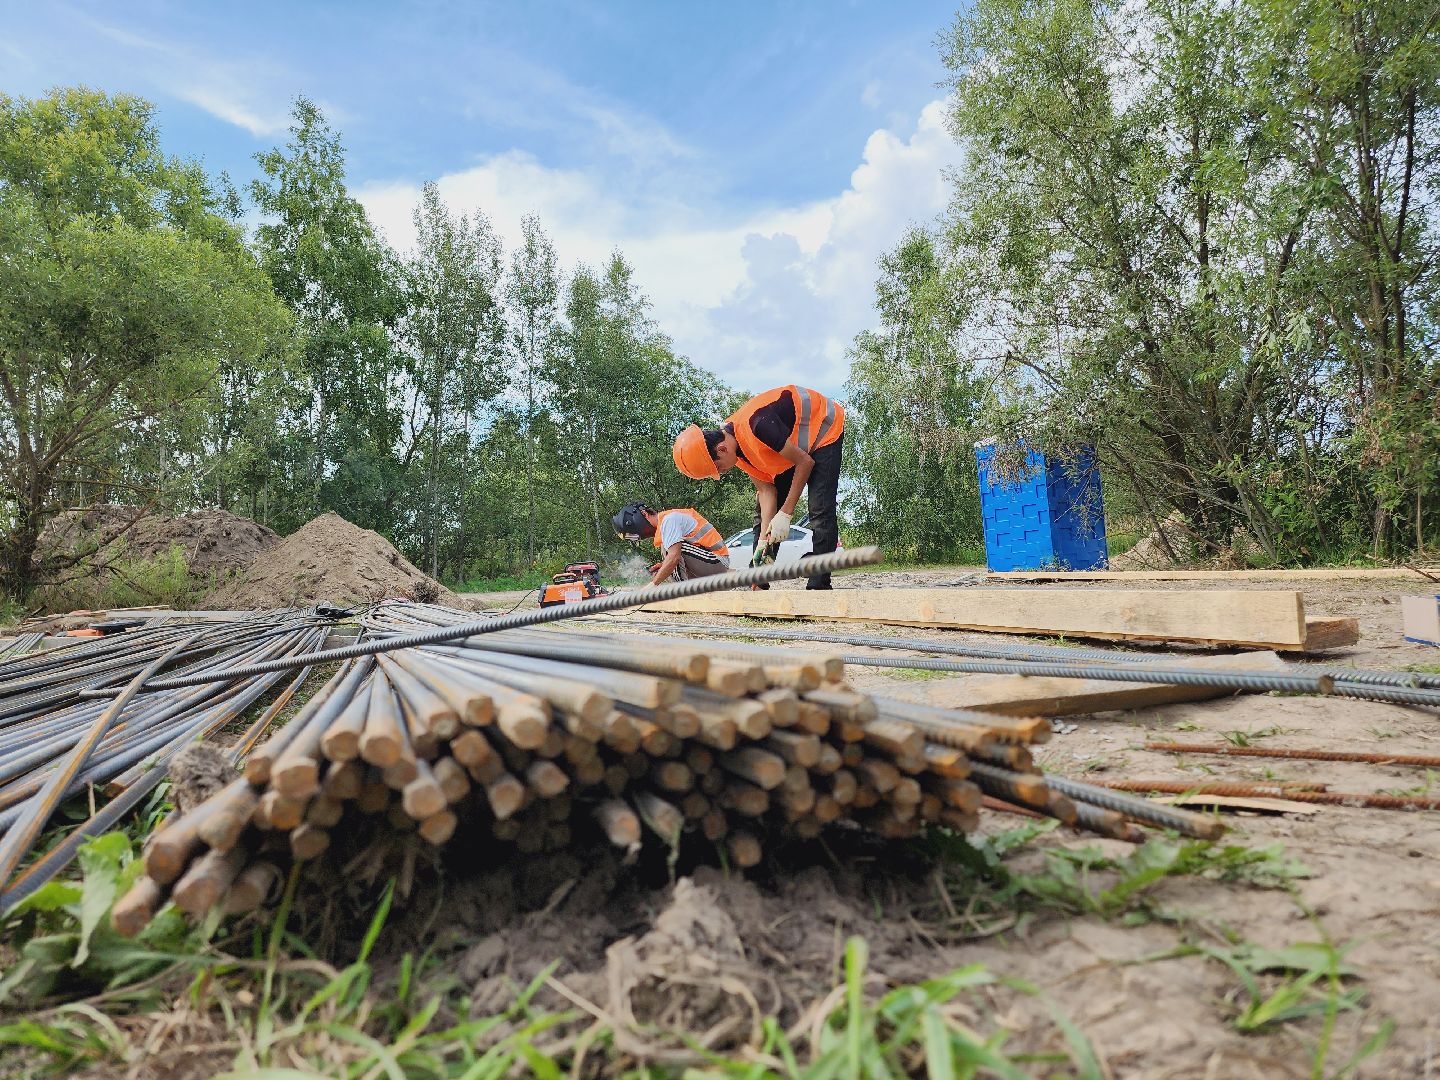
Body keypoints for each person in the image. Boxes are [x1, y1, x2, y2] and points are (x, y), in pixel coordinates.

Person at [671, 384, 843, 589]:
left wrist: (786, 514)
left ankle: (819, 584)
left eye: (717, 467)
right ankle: (759, 578)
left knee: (820, 509)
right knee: (764, 516)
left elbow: (805, 462)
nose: (721, 473)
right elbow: (767, 492)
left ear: (722, 449)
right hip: (792, 449)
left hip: (823, 426)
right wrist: (763, 545)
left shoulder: (758, 425)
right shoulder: (738, 454)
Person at [612, 501, 729, 586]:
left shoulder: (668, 521)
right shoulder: (667, 524)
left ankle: (683, 593)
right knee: (669, 558)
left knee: (672, 554)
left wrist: (652, 586)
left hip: (718, 562)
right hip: (710, 563)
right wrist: (664, 566)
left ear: (644, 514)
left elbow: (674, 557)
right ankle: (688, 591)